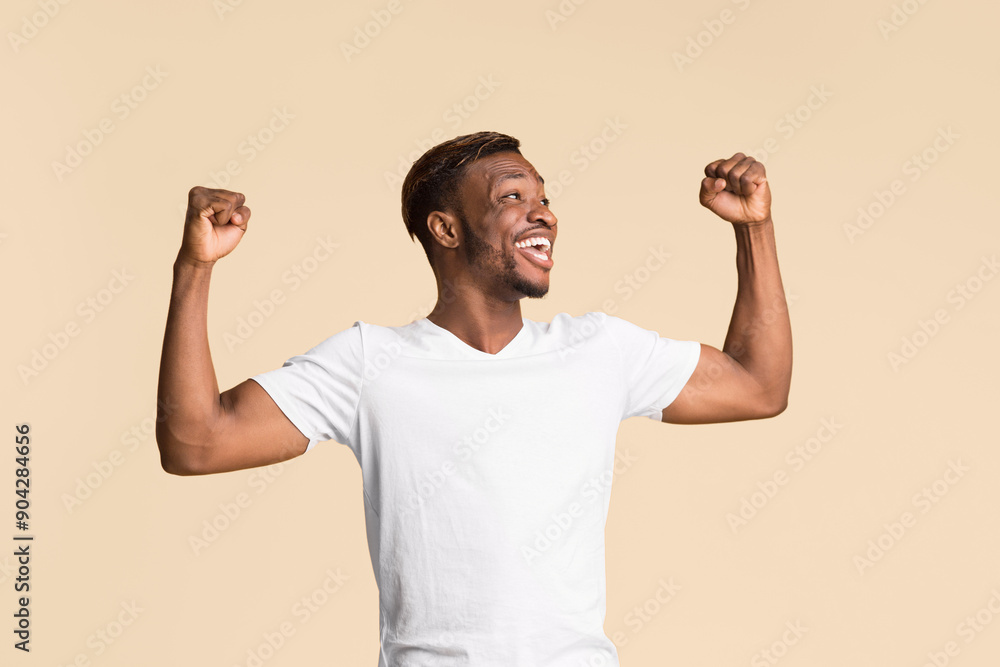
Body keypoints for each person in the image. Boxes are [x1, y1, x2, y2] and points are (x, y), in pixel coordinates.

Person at [155, 131, 792, 666]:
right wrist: (195, 269)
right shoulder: (369, 363)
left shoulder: (601, 351)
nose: (543, 213)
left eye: (544, 198)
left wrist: (754, 230)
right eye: (514, 198)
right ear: (446, 229)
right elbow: (194, 444)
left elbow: (759, 386)